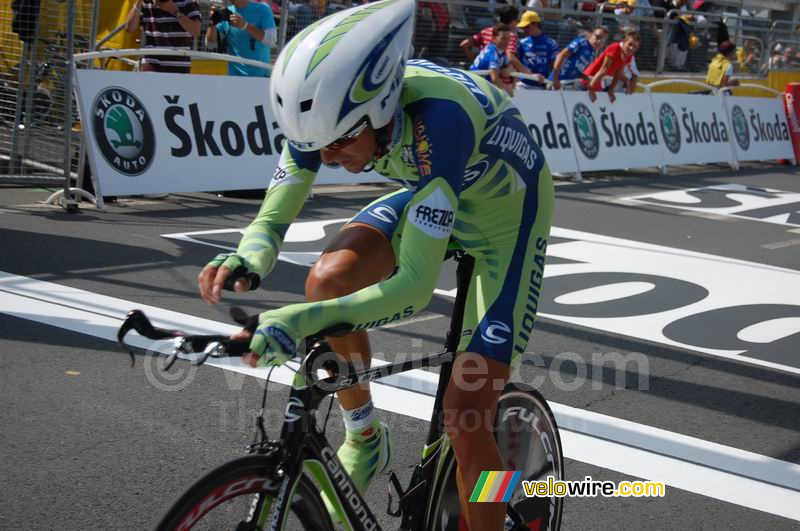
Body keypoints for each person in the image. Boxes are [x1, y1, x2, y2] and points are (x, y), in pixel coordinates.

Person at [197, 0, 555, 529]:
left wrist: (292, 320)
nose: (328, 157)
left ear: (383, 108)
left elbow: (412, 289)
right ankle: (365, 436)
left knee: (467, 412)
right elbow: (272, 220)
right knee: (327, 281)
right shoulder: (324, 123)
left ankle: (493, 508)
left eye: (340, 141)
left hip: (508, 226)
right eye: (314, 147)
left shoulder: (440, 119)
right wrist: (249, 256)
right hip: (439, 195)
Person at [125, 0, 201, 73]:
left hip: (178, 66)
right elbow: (129, 28)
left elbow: (196, 31)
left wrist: (174, 11)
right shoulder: (146, 3)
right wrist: (138, 3)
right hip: (151, 65)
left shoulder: (188, 1)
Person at [205, 0, 277, 77]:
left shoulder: (263, 9)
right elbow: (210, 44)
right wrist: (213, 23)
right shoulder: (226, 13)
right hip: (234, 78)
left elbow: (272, 40)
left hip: (260, 77)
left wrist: (244, 25)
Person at [581, 28, 640, 102]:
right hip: (589, 80)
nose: (631, 48)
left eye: (635, 47)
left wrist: (611, 90)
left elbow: (618, 73)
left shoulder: (628, 55)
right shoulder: (615, 48)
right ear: (624, 41)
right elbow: (603, 70)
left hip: (597, 82)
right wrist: (591, 89)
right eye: (630, 44)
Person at [515, 10, 559, 89]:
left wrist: (551, 81)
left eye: (526, 26)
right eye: (523, 27)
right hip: (523, 85)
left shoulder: (551, 43)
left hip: (542, 86)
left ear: (535, 24)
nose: (524, 29)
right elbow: (516, 63)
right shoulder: (522, 43)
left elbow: (555, 66)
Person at [469, 23, 515, 96]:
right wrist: (507, 88)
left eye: (508, 38)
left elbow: (510, 66)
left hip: (480, 87)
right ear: (493, 38)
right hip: (474, 87)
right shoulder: (494, 54)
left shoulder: (500, 51)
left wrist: (508, 69)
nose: (506, 42)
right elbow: (495, 80)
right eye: (503, 38)